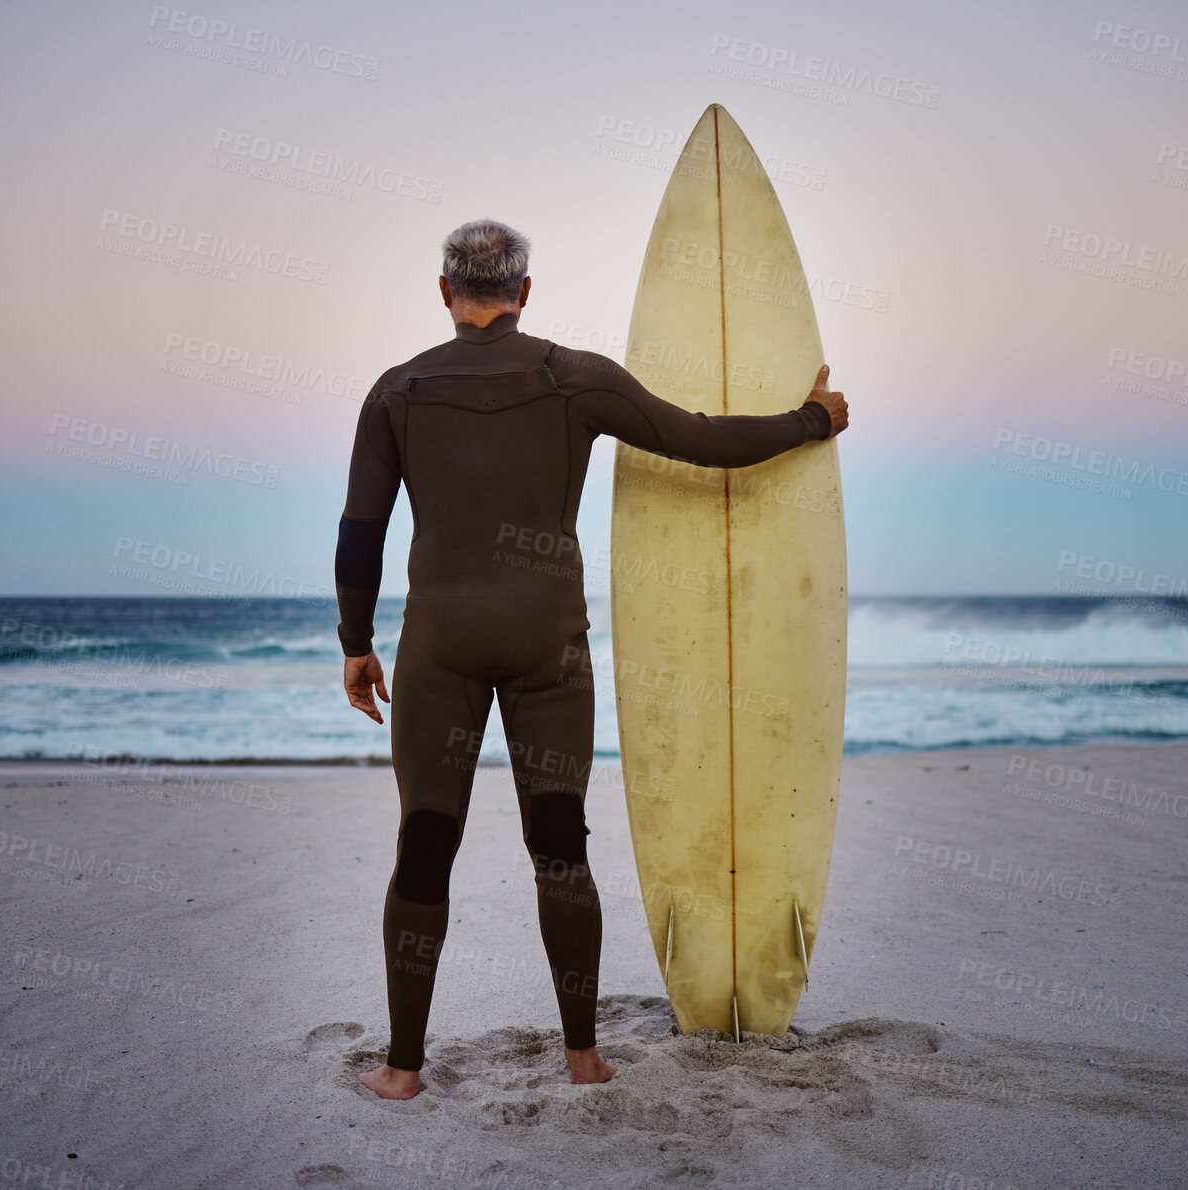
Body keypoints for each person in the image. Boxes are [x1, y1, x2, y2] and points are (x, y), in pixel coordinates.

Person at [337, 218, 849, 1100]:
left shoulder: (398, 391)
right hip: (548, 648)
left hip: (437, 651)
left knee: (425, 845)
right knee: (559, 847)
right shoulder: (572, 379)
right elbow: (697, 439)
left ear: (444, 292)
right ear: (525, 290)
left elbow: (361, 533)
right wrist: (811, 421)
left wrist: (356, 643)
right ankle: (583, 1058)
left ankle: (402, 1068)